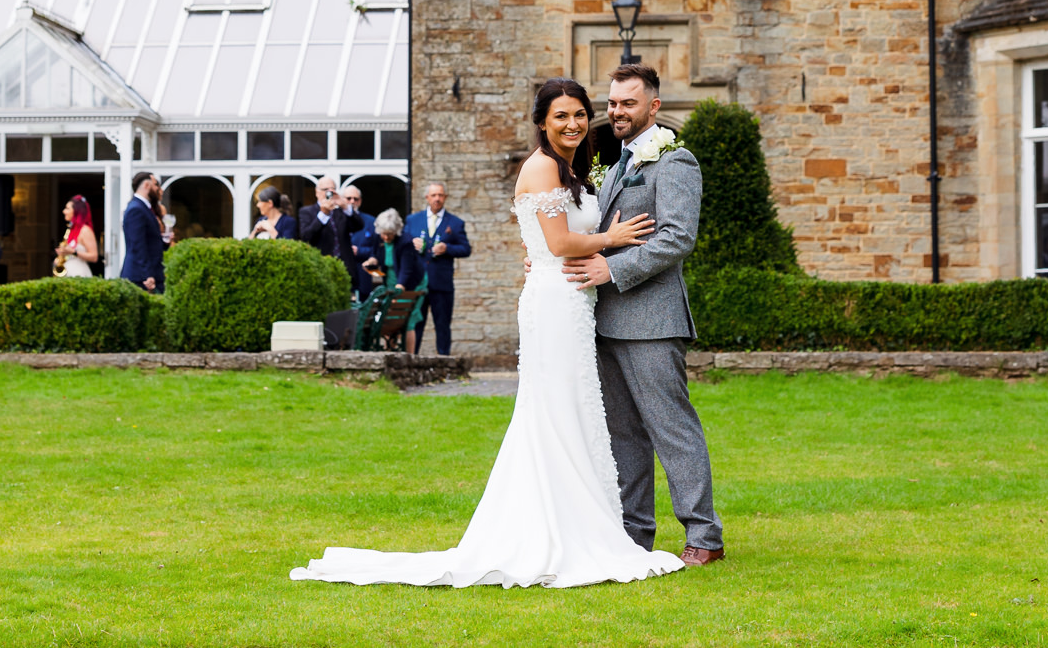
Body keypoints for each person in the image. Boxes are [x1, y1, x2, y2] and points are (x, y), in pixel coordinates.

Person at [290, 76, 678, 589]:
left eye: (580, 114)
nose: (573, 123)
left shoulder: (571, 169)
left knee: (572, 410)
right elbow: (560, 243)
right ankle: (558, 531)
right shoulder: (541, 167)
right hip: (557, 302)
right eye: (561, 116)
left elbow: (547, 241)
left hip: (572, 302)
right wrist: (613, 237)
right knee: (557, 411)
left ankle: (581, 521)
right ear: (542, 122)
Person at [562, 63, 723, 566]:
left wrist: (614, 271)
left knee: (671, 427)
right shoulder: (614, 165)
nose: (616, 112)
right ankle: (635, 537)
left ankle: (704, 536)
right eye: (611, 103)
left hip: (651, 321)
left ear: (653, 106)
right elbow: (594, 234)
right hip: (604, 322)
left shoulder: (675, 161)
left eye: (627, 104)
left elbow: (677, 237)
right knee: (623, 434)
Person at [404, 182, 472, 356]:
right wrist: (411, 244)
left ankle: (444, 361)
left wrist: (447, 248)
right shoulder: (413, 220)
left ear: (445, 198)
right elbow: (401, 246)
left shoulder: (455, 223)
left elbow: (466, 249)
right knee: (416, 324)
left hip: (441, 283)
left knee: (442, 324)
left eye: (440, 195)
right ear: (427, 197)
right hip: (418, 283)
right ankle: (412, 359)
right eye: (434, 195)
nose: (437, 199)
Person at [300, 179, 362, 298]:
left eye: (332, 189)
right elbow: (306, 236)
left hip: (344, 271)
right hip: (321, 270)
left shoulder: (341, 211)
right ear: (317, 192)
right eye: (325, 190)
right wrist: (323, 214)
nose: (329, 193)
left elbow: (359, 225)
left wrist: (345, 206)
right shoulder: (307, 212)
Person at [119, 172, 165, 293]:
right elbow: (138, 245)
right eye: (156, 184)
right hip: (140, 277)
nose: (158, 188)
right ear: (146, 185)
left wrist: (164, 241)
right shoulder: (136, 209)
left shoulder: (145, 208)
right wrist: (147, 275)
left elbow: (150, 240)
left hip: (147, 274)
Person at [361, 208, 409, 291]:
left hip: (407, 284)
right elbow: (375, 253)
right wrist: (371, 261)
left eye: (390, 234)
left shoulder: (405, 242)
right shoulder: (378, 237)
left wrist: (399, 289)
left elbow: (406, 270)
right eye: (384, 234)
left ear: (396, 231)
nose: (386, 237)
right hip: (389, 282)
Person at [55, 195, 99, 276]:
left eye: (67, 208)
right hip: (68, 273)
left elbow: (94, 257)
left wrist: (73, 252)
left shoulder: (85, 230)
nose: (64, 211)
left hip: (80, 274)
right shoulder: (71, 230)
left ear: (76, 211)